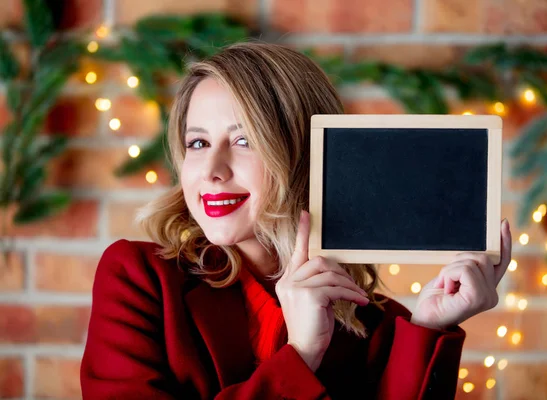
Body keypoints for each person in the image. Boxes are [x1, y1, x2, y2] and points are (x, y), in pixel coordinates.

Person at [80, 41, 512, 400]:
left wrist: (430, 326)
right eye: (197, 142)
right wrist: (301, 354)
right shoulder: (138, 279)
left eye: (244, 140)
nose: (212, 169)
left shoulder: (376, 324)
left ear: (307, 156)